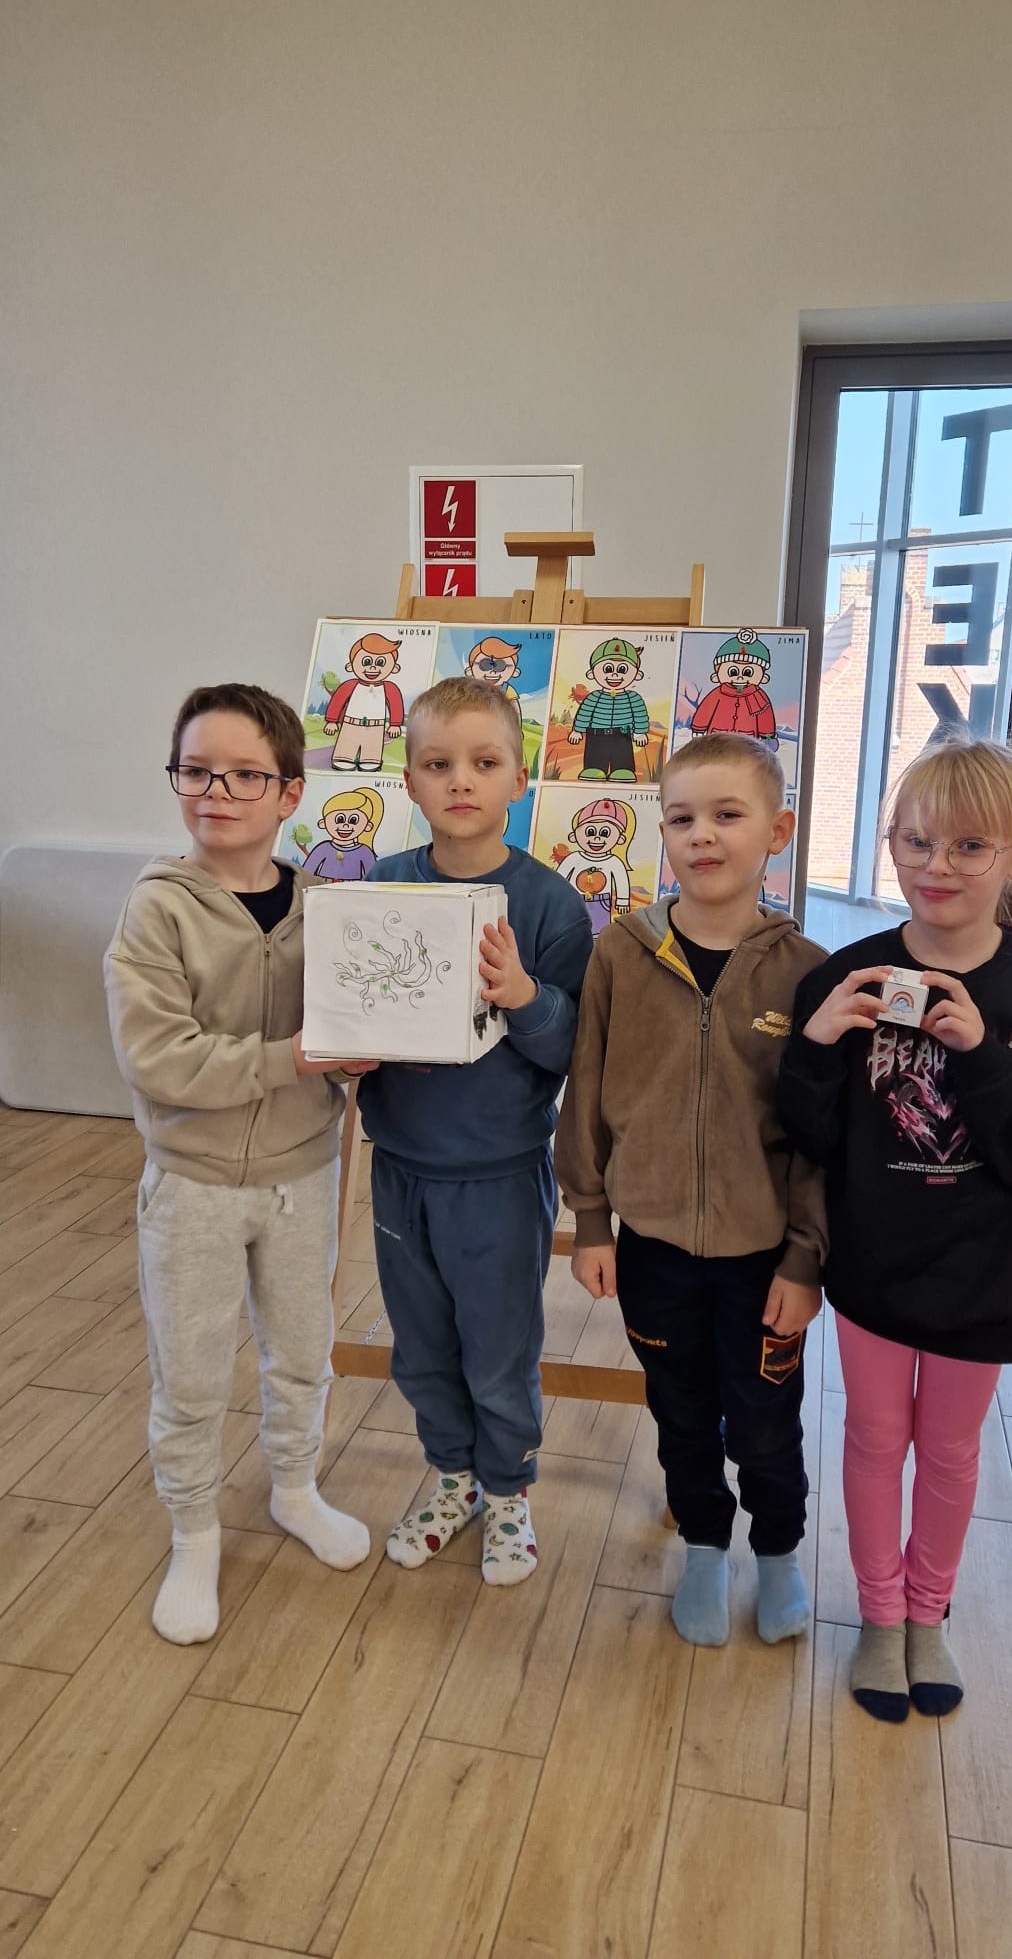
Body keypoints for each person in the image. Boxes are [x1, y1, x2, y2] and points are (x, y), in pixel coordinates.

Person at [778, 735, 1012, 1721]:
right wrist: (815, 1044)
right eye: (915, 840)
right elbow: (808, 1136)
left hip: (988, 1275)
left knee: (952, 1451)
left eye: (969, 846)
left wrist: (983, 1057)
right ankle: (881, 1615)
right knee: (875, 1437)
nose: (937, 865)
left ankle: (930, 1612)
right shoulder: (847, 977)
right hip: (876, 1264)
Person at [105, 683, 375, 1646]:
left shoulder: (327, 910)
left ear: (290, 792)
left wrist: (361, 1049)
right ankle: (194, 1531)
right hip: (193, 1185)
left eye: (245, 775)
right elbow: (159, 1059)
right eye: (196, 771)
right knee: (189, 1372)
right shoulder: (157, 909)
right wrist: (293, 1058)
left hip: (305, 1176)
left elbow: (352, 1024)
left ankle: (295, 1488)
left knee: (303, 1351)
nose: (216, 792)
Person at [555, 731, 826, 1648]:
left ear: (777, 832)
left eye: (727, 814)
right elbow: (587, 1088)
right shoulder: (621, 954)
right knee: (678, 1411)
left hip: (764, 1260)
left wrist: (805, 1258)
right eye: (681, 818)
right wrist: (592, 1221)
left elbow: (822, 1137)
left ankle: (778, 1553)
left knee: (765, 1420)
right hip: (654, 1249)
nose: (702, 834)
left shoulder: (807, 970)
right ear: (662, 833)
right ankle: (705, 1546)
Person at [357, 677, 592, 1584]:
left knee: (499, 1352)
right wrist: (346, 1048)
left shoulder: (548, 905)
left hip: (499, 1173)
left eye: (485, 762)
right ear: (409, 780)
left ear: (519, 779)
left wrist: (525, 997)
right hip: (401, 1166)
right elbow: (350, 1013)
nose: (461, 781)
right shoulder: (382, 885)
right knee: (421, 1348)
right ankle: (452, 1479)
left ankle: (507, 1492)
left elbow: (573, 1049)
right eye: (438, 764)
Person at [568, 637, 650, 781]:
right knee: (595, 757)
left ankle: (623, 770)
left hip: (622, 735)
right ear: (592, 673)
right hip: (596, 735)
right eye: (607, 669)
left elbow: (640, 714)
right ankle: (593, 769)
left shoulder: (633, 698)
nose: (614, 675)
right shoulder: (594, 697)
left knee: (622, 757)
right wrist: (577, 730)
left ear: (637, 674)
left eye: (622, 669)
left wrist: (640, 732)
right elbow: (584, 714)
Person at [323, 631, 404, 771]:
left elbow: (396, 705)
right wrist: (331, 721)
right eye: (366, 662)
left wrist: (395, 724)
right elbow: (337, 701)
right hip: (350, 724)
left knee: (371, 753)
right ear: (350, 666)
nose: (372, 668)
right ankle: (343, 758)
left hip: (376, 726)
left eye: (380, 663)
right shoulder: (349, 685)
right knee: (346, 748)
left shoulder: (389, 688)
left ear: (395, 668)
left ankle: (370, 760)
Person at [554, 795, 634, 935]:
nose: (596, 838)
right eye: (590, 832)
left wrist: (622, 901)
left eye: (605, 833)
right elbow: (558, 879)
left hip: (601, 902)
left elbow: (621, 880)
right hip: (575, 899)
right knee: (570, 931)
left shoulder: (614, 862)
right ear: (574, 835)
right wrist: (554, 898)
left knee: (598, 933)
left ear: (620, 839)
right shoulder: (574, 858)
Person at [689, 632, 778, 748]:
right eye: (733, 672)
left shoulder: (760, 697)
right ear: (717, 673)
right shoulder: (717, 694)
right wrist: (698, 729)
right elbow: (704, 711)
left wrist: (768, 737)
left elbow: (765, 718)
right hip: (717, 738)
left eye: (748, 672)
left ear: (763, 677)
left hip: (747, 741)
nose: (740, 677)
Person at [303, 786, 383, 880]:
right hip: (323, 888)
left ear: (367, 826)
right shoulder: (322, 849)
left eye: (353, 820)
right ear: (323, 823)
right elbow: (305, 875)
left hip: (353, 889)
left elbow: (373, 881)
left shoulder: (365, 852)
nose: (345, 825)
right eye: (340, 819)